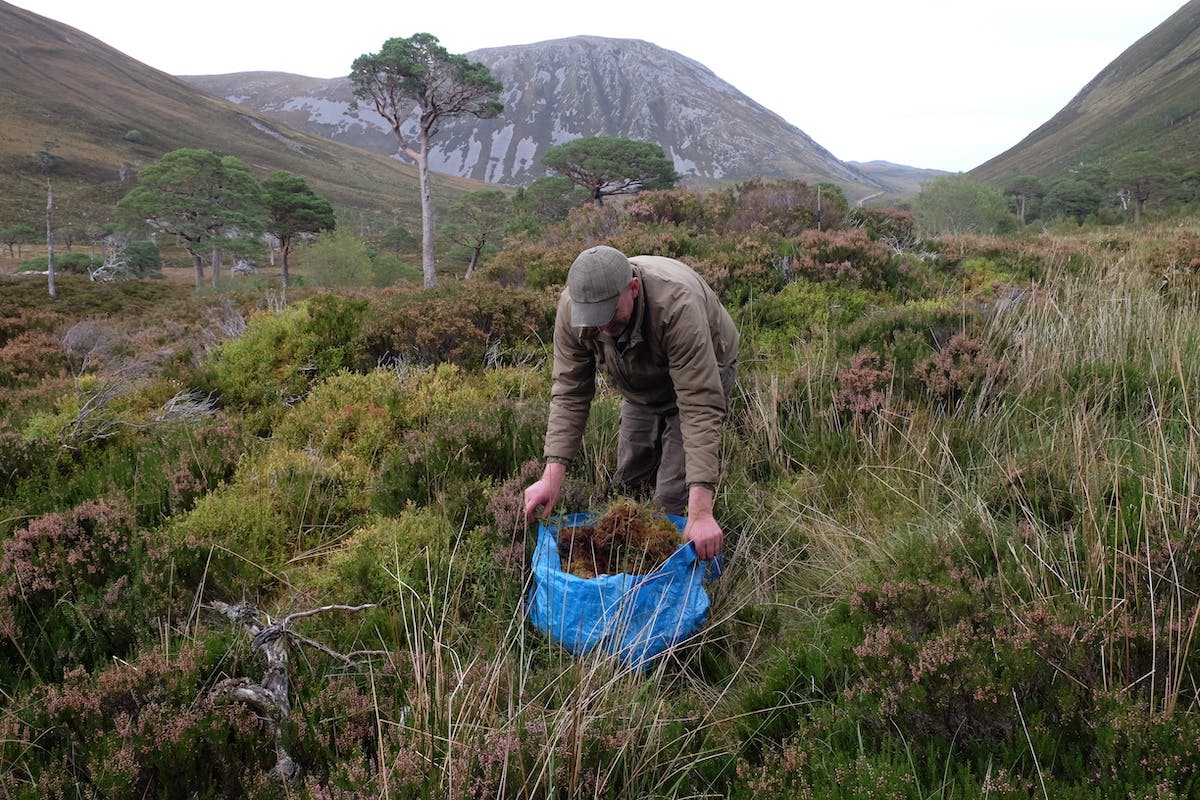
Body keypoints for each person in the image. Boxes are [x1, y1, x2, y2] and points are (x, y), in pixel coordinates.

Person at [523, 245, 739, 560]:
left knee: (671, 500)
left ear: (633, 289)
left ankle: (665, 575)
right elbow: (570, 391)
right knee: (629, 480)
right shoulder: (575, 308)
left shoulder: (676, 305)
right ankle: (627, 562)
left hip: (706, 367)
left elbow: (698, 406)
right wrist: (551, 477)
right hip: (638, 375)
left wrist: (702, 512)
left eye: (609, 313)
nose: (601, 327)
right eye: (593, 319)